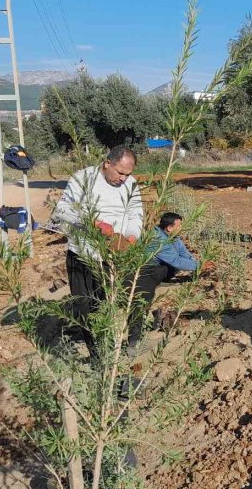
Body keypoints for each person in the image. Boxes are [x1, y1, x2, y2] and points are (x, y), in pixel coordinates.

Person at [52, 145, 143, 356]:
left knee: (107, 305)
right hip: (83, 254)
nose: (123, 179)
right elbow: (62, 210)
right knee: (85, 306)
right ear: (107, 163)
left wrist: (130, 238)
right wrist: (93, 222)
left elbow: (135, 214)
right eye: (120, 172)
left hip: (113, 258)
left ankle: (110, 348)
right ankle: (96, 354)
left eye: (127, 174)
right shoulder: (83, 178)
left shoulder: (131, 184)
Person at [127, 212, 199, 352]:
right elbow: (177, 261)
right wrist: (199, 266)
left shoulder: (173, 237)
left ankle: (138, 338)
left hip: (156, 269)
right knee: (141, 302)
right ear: (169, 228)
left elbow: (184, 254)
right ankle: (133, 344)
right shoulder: (158, 239)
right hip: (143, 272)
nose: (181, 227)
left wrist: (197, 264)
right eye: (179, 225)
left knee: (172, 266)